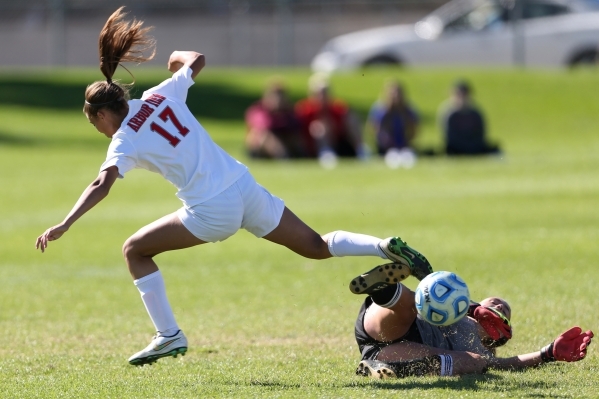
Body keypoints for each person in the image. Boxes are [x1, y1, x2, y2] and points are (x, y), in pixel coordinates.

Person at [34, 7, 434, 367]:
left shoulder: (124, 139)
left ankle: (168, 335)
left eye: (94, 122)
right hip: (244, 187)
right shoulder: (160, 94)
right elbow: (196, 59)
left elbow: (101, 182)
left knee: (134, 250)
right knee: (316, 246)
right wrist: (174, 58)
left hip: (212, 209)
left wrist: (66, 223)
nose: (98, 130)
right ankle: (382, 246)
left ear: (105, 112)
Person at [349, 263, 593, 378]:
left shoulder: (482, 352)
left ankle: (382, 368)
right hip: (386, 324)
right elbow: (433, 288)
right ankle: (383, 290)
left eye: (504, 310)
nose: (498, 305)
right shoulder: (458, 306)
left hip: (398, 352)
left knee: (472, 362)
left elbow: (506, 364)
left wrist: (547, 354)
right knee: (412, 307)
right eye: (493, 302)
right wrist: (473, 309)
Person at [295, 73, 366, 165]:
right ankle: (326, 153)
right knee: (318, 126)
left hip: (340, 144)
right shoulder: (304, 109)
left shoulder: (337, 108)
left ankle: (361, 150)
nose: (323, 96)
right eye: (319, 93)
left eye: (325, 92)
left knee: (351, 120)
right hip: (312, 147)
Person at [244, 80, 306, 159]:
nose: (278, 100)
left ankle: (300, 154)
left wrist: (283, 114)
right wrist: (276, 114)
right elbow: (265, 125)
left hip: (283, 140)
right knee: (266, 135)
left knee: (293, 135)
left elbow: (296, 125)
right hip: (260, 147)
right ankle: (283, 156)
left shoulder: (288, 110)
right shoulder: (258, 109)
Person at [439, 80, 501, 156]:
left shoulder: (476, 113)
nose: (462, 98)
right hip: (456, 149)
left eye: (464, 94)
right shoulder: (449, 113)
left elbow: (480, 136)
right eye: (459, 94)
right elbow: (450, 138)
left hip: (474, 147)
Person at [368, 80, 418, 156]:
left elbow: (414, 130)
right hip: (385, 148)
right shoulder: (380, 109)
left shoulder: (407, 110)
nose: (395, 96)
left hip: (404, 146)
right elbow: (373, 129)